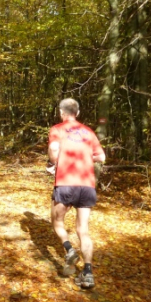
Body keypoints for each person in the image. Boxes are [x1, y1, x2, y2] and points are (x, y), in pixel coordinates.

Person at [48, 98, 106, 289]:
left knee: (57, 221)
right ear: (78, 113)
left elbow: (53, 150)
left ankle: (69, 249)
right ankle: (88, 272)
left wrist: (55, 162)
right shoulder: (89, 132)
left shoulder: (57, 129)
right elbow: (101, 156)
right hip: (87, 185)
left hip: (65, 183)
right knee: (83, 229)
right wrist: (86, 157)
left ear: (61, 112)